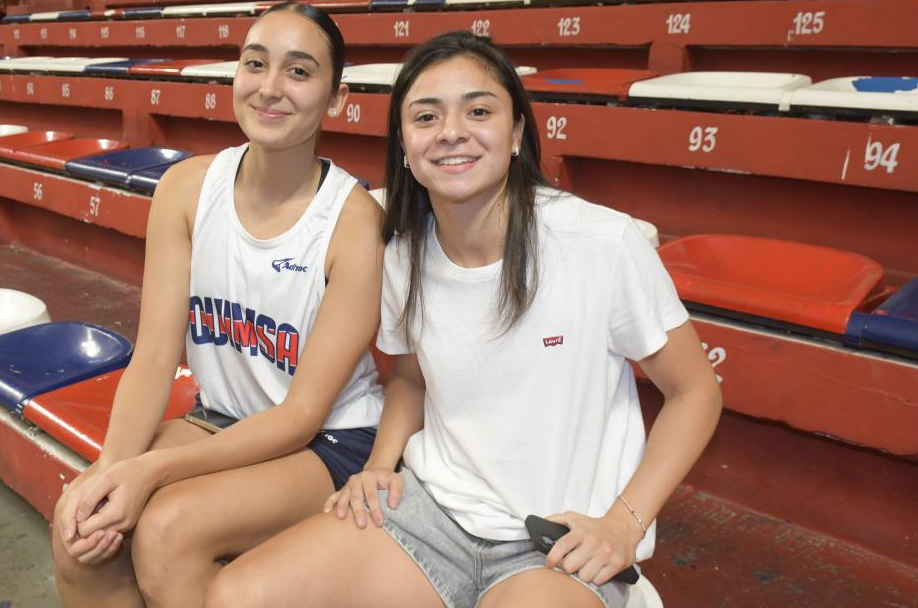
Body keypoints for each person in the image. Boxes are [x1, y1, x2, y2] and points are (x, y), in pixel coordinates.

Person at [206, 31, 724, 608]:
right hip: (434, 512)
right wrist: (380, 466)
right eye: (426, 116)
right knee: (238, 595)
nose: (452, 131)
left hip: (555, 541)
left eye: (478, 110)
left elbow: (695, 390)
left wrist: (625, 524)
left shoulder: (600, 242)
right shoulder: (402, 250)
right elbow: (409, 378)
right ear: (404, 142)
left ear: (518, 132)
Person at [50, 1, 387, 608]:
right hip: (220, 416)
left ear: (336, 99)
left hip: (329, 442)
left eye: (299, 71)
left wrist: (148, 472)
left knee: (166, 529)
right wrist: (109, 469)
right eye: (255, 63)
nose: (270, 87)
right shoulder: (185, 189)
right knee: (79, 522)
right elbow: (153, 358)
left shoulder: (354, 224)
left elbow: (301, 415)